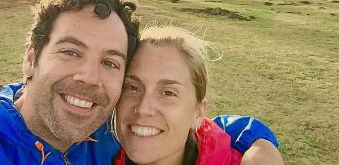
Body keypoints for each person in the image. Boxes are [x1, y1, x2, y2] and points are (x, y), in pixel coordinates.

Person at [0, 0, 279, 164]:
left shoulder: (107, 132)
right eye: (71, 51)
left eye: (110, 62)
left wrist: (259, 146)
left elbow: (216, 127)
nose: (90, 78)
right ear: (31, 58)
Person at [113, 25, 283, 165]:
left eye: (168, 92)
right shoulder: (100, 153)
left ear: (198, 113)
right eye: (133, 88)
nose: (144, 108)